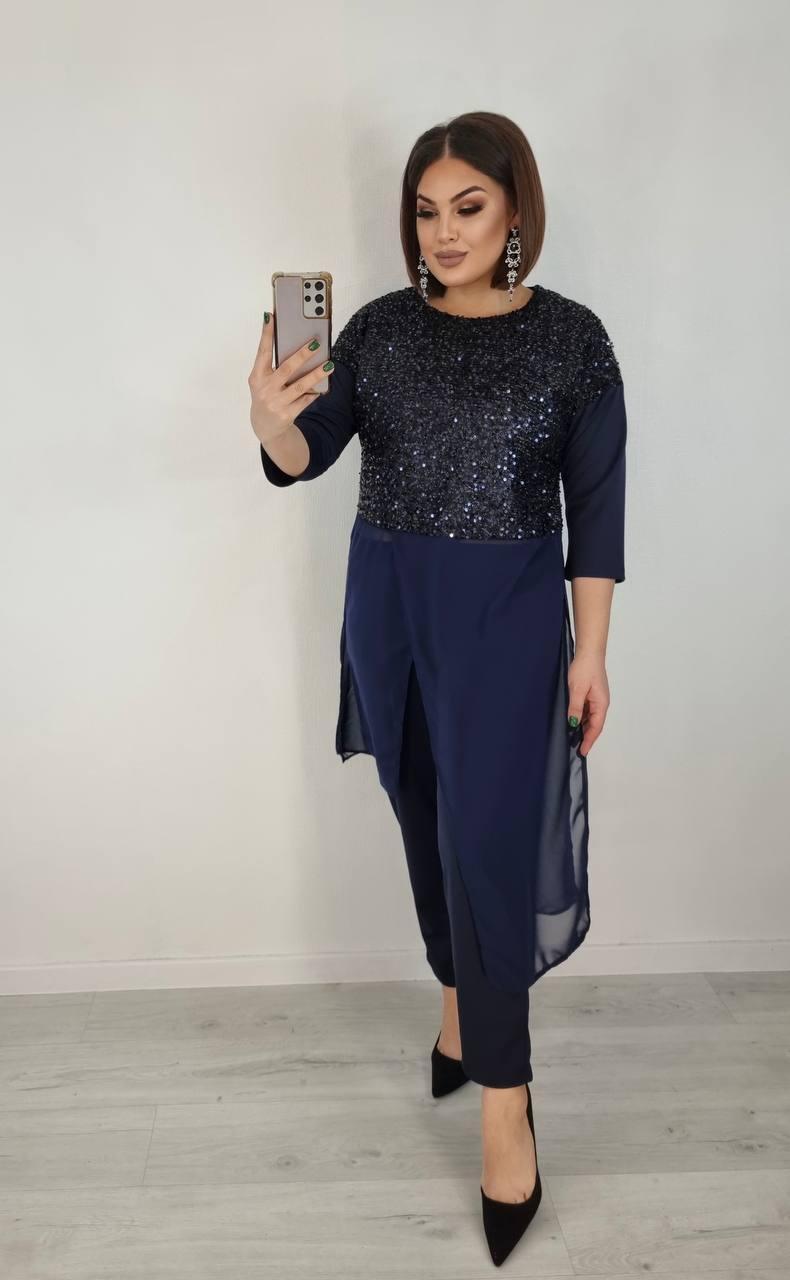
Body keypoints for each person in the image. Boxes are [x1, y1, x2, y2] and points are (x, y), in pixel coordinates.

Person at [249, 110, 627, 1267]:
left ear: (515, 212)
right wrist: (270, 422)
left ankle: (507, 1102)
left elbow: (596, 515)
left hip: (507, 620)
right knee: (420, 811)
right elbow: (306, 453)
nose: (444, 231)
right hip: (389, 609)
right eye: (426, 210)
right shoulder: (375, 330)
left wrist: (590, 650)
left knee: (489, 849)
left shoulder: (571, 340)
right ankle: (457, 1004)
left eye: (468, 206)